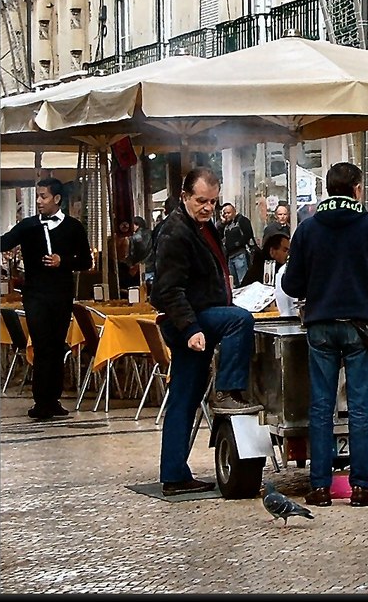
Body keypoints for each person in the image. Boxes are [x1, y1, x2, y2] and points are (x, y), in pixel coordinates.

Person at [282, 162, 368, 508]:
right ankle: (362, 486)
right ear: (356, 189)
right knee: (361, 407)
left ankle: (319, 487)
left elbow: (291, 285)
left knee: (321, 407)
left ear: (327, 190)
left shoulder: (307, 230)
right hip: (360, 327)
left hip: (320, 325)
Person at [150, 167, 262, 497]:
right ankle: (228, 389)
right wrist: (191, 329)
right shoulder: (176, 232)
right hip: (188, 319)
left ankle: (174, 473)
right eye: (201, 201)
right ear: (185, 197)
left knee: (184, 397)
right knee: (239, 320)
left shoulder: (201, 226)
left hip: (197, 315)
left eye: (213, 202)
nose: (208, 207)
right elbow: (169, 290)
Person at [0, 178, 92, 420]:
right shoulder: (28, 226)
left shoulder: (73, 227)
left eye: (43, 196)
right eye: (38, 197)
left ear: (57, 199)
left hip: (61, 294)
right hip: (35, 294)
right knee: (41, 344)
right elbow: (5, 242)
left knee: (56, 345)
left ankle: (53, 399)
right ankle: (41, 401)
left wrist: (64, 261)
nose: (39, 201)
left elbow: (86, 261)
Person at [219, 202, 256, 287]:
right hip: (230, 256)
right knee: (233, 283)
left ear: (234, 212)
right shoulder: (226, 224)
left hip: (240, 254)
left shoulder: (241, 220)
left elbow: (248, 234)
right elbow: (219, 236)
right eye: (225, 213)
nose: (226, 215)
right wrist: (222, 223)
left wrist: (237, 244)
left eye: (228, 213)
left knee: (243, 281)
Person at [125, 215, 155, 287]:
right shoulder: (153, 233)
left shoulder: (133, 238)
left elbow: (131, 254)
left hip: (139, 268)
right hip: (152, 266)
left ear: (137, 225)